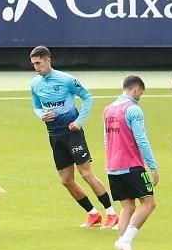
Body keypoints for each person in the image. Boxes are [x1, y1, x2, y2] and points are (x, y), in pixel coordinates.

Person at [29, 46, 117, 230]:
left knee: (86, 174)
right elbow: (36, 106)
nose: (36, 67)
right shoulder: (35, 84)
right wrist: (40, 115)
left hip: (72, 134)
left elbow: (87, 97)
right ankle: (93, 214)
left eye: (38, 63)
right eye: (33, 64)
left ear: (47, 60)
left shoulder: (67, 79)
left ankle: (112, 214)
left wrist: (79, 121)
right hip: (54, 135)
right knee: (66, 180)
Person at [102, 75, 159, 250]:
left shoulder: (108, 109)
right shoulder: (133, 109)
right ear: (136, 90)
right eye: (140, 93)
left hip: (113, 166)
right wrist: (152, 166)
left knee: (127, 206)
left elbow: (106, 140)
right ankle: (125, 241)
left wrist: (108, 163)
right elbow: (141, 139)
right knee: (149, 203)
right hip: (132, 165)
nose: (140, 97)